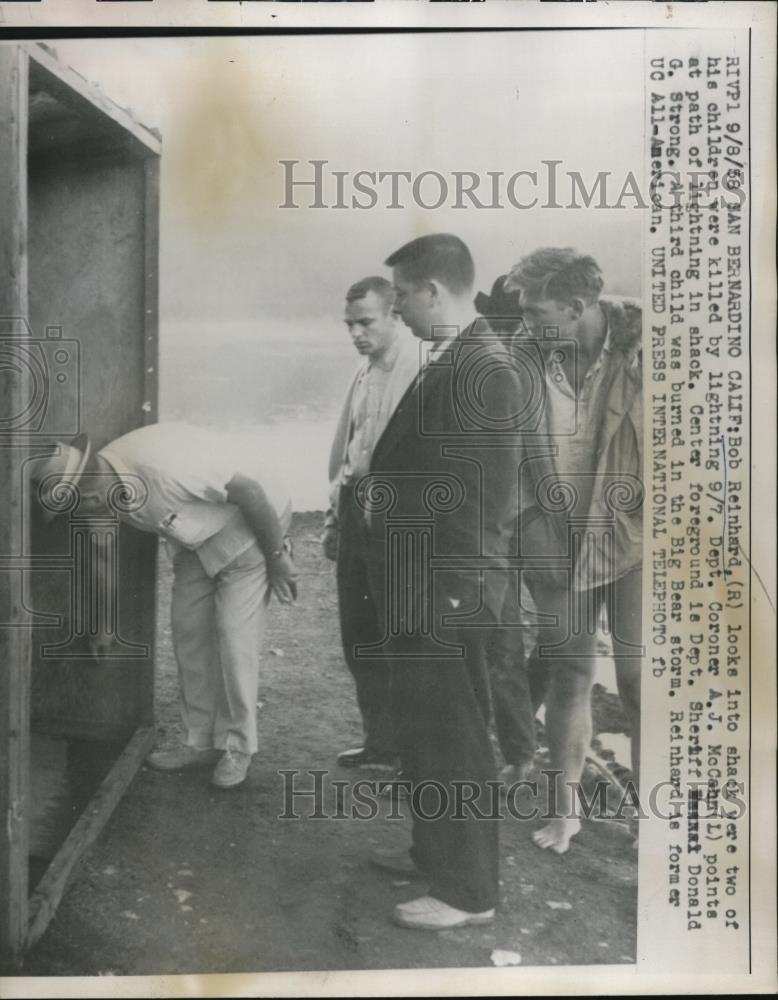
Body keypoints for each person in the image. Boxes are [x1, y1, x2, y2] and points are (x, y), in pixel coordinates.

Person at [365, 234, 521, 931]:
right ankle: (434, 853)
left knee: (455, 737)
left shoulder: (482, 366)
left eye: (400, 296)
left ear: (432, 290)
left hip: (447, 586)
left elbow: (478, 497)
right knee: (425, 729)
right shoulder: (458, 357)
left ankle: (468, 892)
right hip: (421, 580)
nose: (396, 311)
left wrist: (453, 591)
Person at [31, 422, 298, 790]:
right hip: (194, 536)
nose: (83, 511)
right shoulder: (97, 492)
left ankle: (239, 746)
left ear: (89, 488)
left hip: (252, 526)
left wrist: (277, 555)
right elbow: (102, 556)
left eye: (78, 503)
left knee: (235, 639)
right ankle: (199, 742)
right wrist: (103, 626)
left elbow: (250, 491)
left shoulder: (166, 467)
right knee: (188, 633)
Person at [504, 248, 643, 854]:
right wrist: (527, 522)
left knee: (639, 681)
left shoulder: (650, 343)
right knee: (570, 673)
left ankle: (658, 821)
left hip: (636, 534)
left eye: (537, 312)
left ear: (578, 307)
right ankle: (565, 811)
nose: (526, 323)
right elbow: (509, 448)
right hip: (555, 534)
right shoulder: (523, 352)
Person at [323, 276, 419, 771]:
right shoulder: (362, 371)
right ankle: (379, 741)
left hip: (400, 516)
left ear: (394, 315)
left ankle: (410, 755)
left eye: (366, 322)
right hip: (357, 507)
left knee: (400, 635)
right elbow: (350, 447)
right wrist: (335, 517)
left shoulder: (418, 364)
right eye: (350, 324)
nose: (356, 333)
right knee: (359, 634)